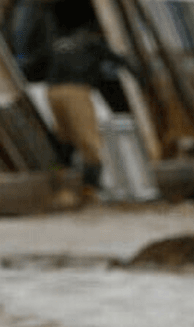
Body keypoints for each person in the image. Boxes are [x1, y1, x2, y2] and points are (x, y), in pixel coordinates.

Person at [30, 10, 132, 205]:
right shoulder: (91, 43)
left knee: (65, 141)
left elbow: (32, 65)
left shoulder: (57, 44)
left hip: (53, 92)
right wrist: (139, 75)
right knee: (90, 143)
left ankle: (61, 191)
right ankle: (90, 191)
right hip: (76, 91)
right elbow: (121, 61)